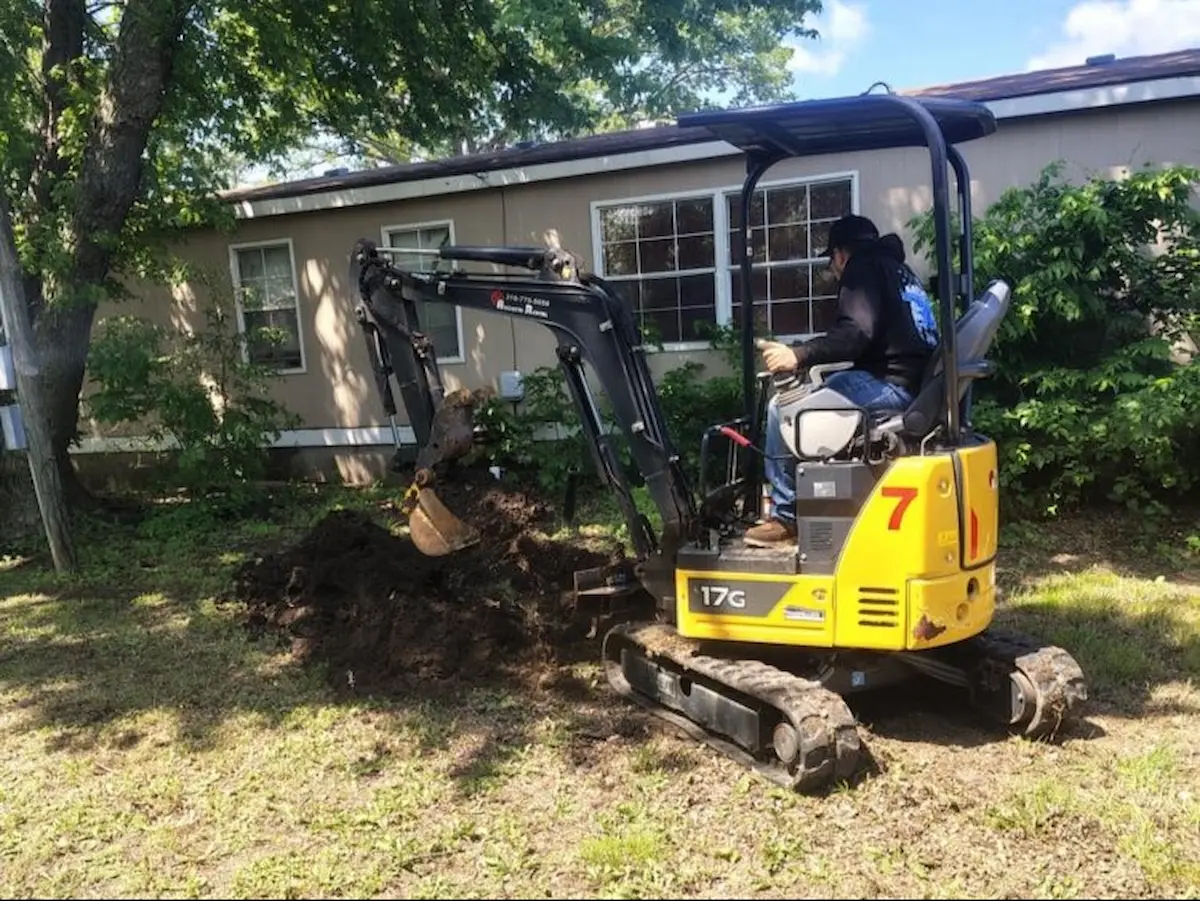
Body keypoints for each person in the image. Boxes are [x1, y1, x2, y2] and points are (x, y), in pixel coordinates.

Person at [743, 214, 940, 548]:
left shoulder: (861, 269)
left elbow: (855, 333)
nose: (834, 272)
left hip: (890, 384)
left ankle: (785, 517)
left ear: (840, 254)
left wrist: (798, 355)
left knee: (783, 410)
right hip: (914, 384)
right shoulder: (899, 272)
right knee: (820, 389)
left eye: (831, 262)